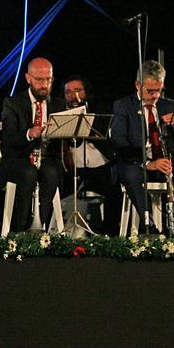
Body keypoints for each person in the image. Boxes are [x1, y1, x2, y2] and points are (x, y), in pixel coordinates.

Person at [110, 60, 174, 235]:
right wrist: (148, 163)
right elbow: (119, 143)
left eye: (159, 90)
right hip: (136, 164)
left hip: (166, 162)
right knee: (131, 173)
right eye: (150, 91)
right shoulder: (123, 106)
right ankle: (149, 227)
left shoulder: (170, 105)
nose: (155, 96)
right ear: (138, 85)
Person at [0, 57, 66, 232]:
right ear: (28, 78)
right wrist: (29, 133)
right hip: (18, 159)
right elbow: (8, 137)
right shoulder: (12, 103)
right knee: (28, 173)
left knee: (51, 172)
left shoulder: (58, 104)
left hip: (47, 157)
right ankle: (21, 227)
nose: (44, 85)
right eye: (40, 80)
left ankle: (40, 225)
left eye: (48, 80)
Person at [60, 75, 120, 235]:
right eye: (69, 92)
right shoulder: (59, 115)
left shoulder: (98, 112)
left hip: (99, 168)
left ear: (87, 92)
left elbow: (108, 142)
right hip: (70, 171)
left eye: (78, 90)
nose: (74, 96)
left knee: (115, 184)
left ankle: (109, 233)